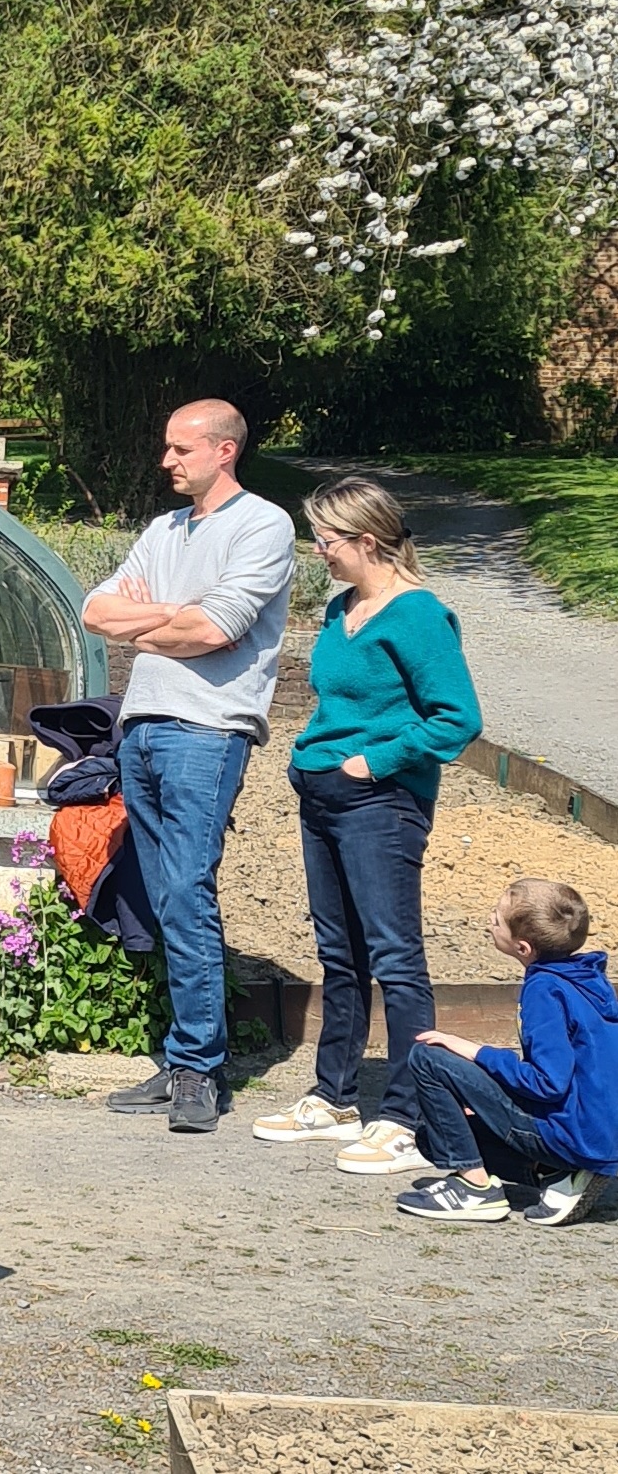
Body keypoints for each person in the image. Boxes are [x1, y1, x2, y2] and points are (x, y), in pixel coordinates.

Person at [78, 399, 298, 1135]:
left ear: (224, 450)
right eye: (167, 448)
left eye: (181, 449)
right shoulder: (163, 530)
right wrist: (173, 617)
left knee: (187, 890)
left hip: (208, 730)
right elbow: (95, 613)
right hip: (141, 727)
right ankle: (181, 1060)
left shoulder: (263, 525)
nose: (166, 461)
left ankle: (200, 1068)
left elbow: (216, 627)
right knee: (165, 895)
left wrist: (156, 621)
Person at [252, 478, 481, 1174]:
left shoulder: (419, 616)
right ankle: (335, 1097)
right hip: (322, 795)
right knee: (339, 953)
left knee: (395, 958)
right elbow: (336, 702)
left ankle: (408, 1117)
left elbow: (457, 718)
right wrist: (313, 762)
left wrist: (373, 762)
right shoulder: (340, 608)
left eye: (327, 539)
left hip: (380, 803)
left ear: (368, 540)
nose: (318, 550)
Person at [392, 880, 617, 1226]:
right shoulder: (588, 979)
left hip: (573, 1133)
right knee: (430, 1137)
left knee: (428, 1058)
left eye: (496, 919)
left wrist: (476, 1052)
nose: (489, 921)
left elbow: (548, 1082)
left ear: (523, 947)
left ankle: (474, 1188)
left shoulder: (544, 989)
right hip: (596, 1130)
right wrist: (485, 1094)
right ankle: (558, 1173)